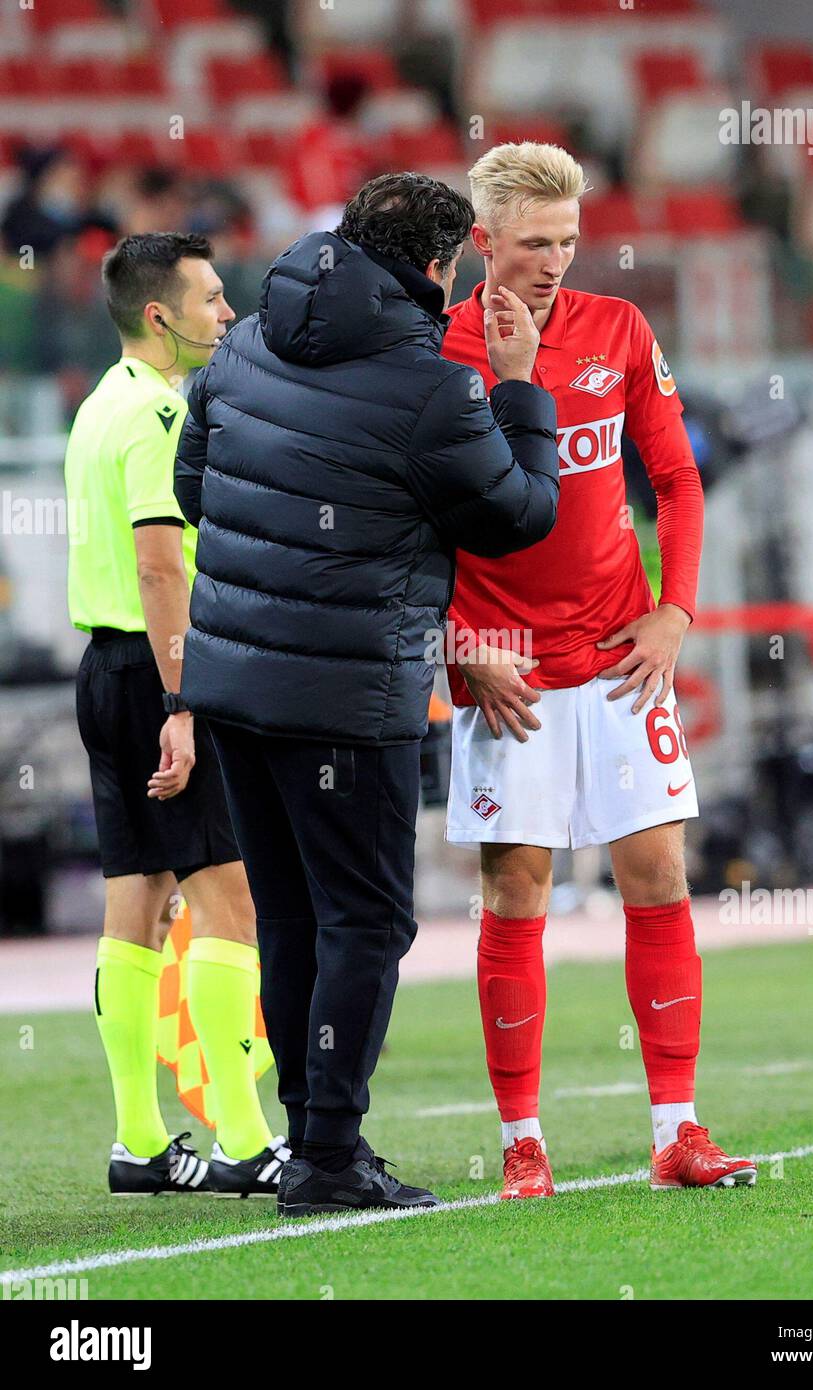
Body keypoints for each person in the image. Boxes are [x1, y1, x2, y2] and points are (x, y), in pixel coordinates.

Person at [173, 173, 560, 1216]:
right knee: (363, 921)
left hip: (233, 681)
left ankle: (312, 1139)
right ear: (438, 267)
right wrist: (520, 390)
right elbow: (517, 516)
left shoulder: (245, 339)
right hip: (345, 696)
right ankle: (330, 1154)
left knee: (293, 915)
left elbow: (193, 490)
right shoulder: (431, 387)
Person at [442, 142, 757, 1197]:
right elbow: (405, 523)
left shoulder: (617, 329)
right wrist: (455, 641)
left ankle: (677, 1128)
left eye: (568, 242)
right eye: (533, 243)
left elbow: (675, 475)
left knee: (659, 875)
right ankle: (522, 1140)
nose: (553, 262)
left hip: (622, 655)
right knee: (516, 891)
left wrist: (676, 609)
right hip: (506, 673)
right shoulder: (439, 351)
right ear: (482, 241)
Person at [65, 233, 289, 1197]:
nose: (227, 313)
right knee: (229, 902)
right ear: (161, 316)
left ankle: (138, 1142)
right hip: (158, 676)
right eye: (211, 298)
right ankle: (244, 1142)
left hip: (104, 670)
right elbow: (163, 566)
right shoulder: (159, 414)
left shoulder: (99, 405)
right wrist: (183, 701)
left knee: (137, 900)